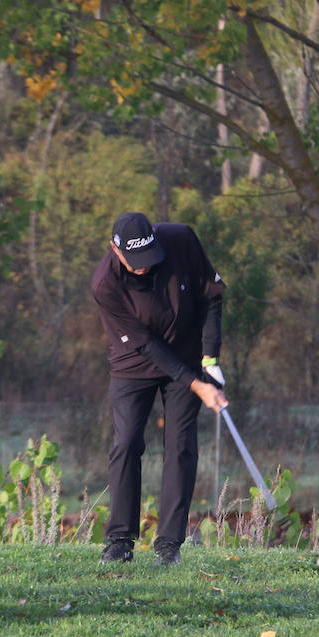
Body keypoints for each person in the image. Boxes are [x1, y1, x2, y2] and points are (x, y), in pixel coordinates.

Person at [90, 211, 229, 565]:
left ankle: (169, 544)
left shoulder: (181, 239)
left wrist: (210, 359)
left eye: (148, 260)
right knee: (126, 442)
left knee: (181, 446)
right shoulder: (105, 285)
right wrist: (198, 384)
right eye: (134, 262)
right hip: (133, 362)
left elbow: (212, 296)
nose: (143, 268)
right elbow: (147, 344)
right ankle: (120, 540)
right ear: (115, 250)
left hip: (186, 353)